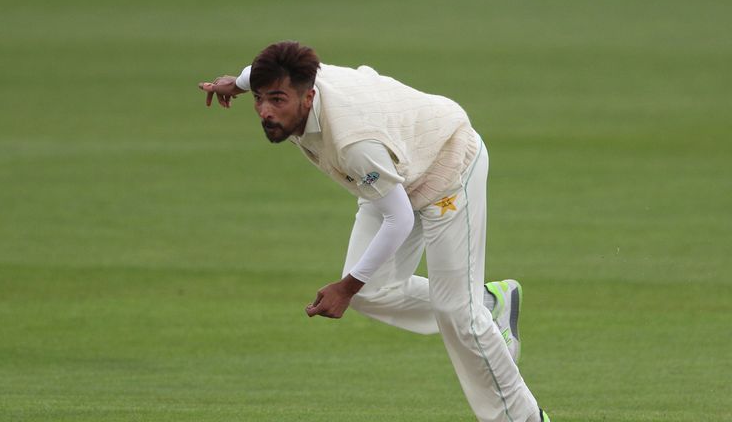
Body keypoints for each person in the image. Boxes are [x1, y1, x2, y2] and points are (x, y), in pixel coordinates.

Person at [199, 41, 550, 422]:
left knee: (455, 312)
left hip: (447, 168)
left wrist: (346, 287)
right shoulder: (295, 82)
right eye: (260, 99)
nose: (265, 111)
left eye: (278, 101)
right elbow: (261, 77)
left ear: (308, 96)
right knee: (374, 291)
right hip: (392, 172)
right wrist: (236, 83)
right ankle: (488, 304)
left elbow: (398, 220)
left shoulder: (353, 142)